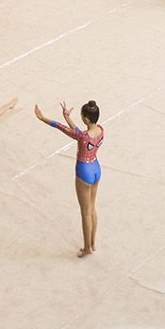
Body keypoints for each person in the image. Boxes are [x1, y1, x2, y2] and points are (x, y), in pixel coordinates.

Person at [34, 99, 104, 257]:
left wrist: (43, 118)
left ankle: (87, 248)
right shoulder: (100, 130)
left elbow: (61, 128)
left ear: (86, 118)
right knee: (92, 207)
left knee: (85, 212)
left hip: (84, 172)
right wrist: (68, 117)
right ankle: (92, 242)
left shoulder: (82, 137)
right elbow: (80, 133)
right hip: (96, 168)